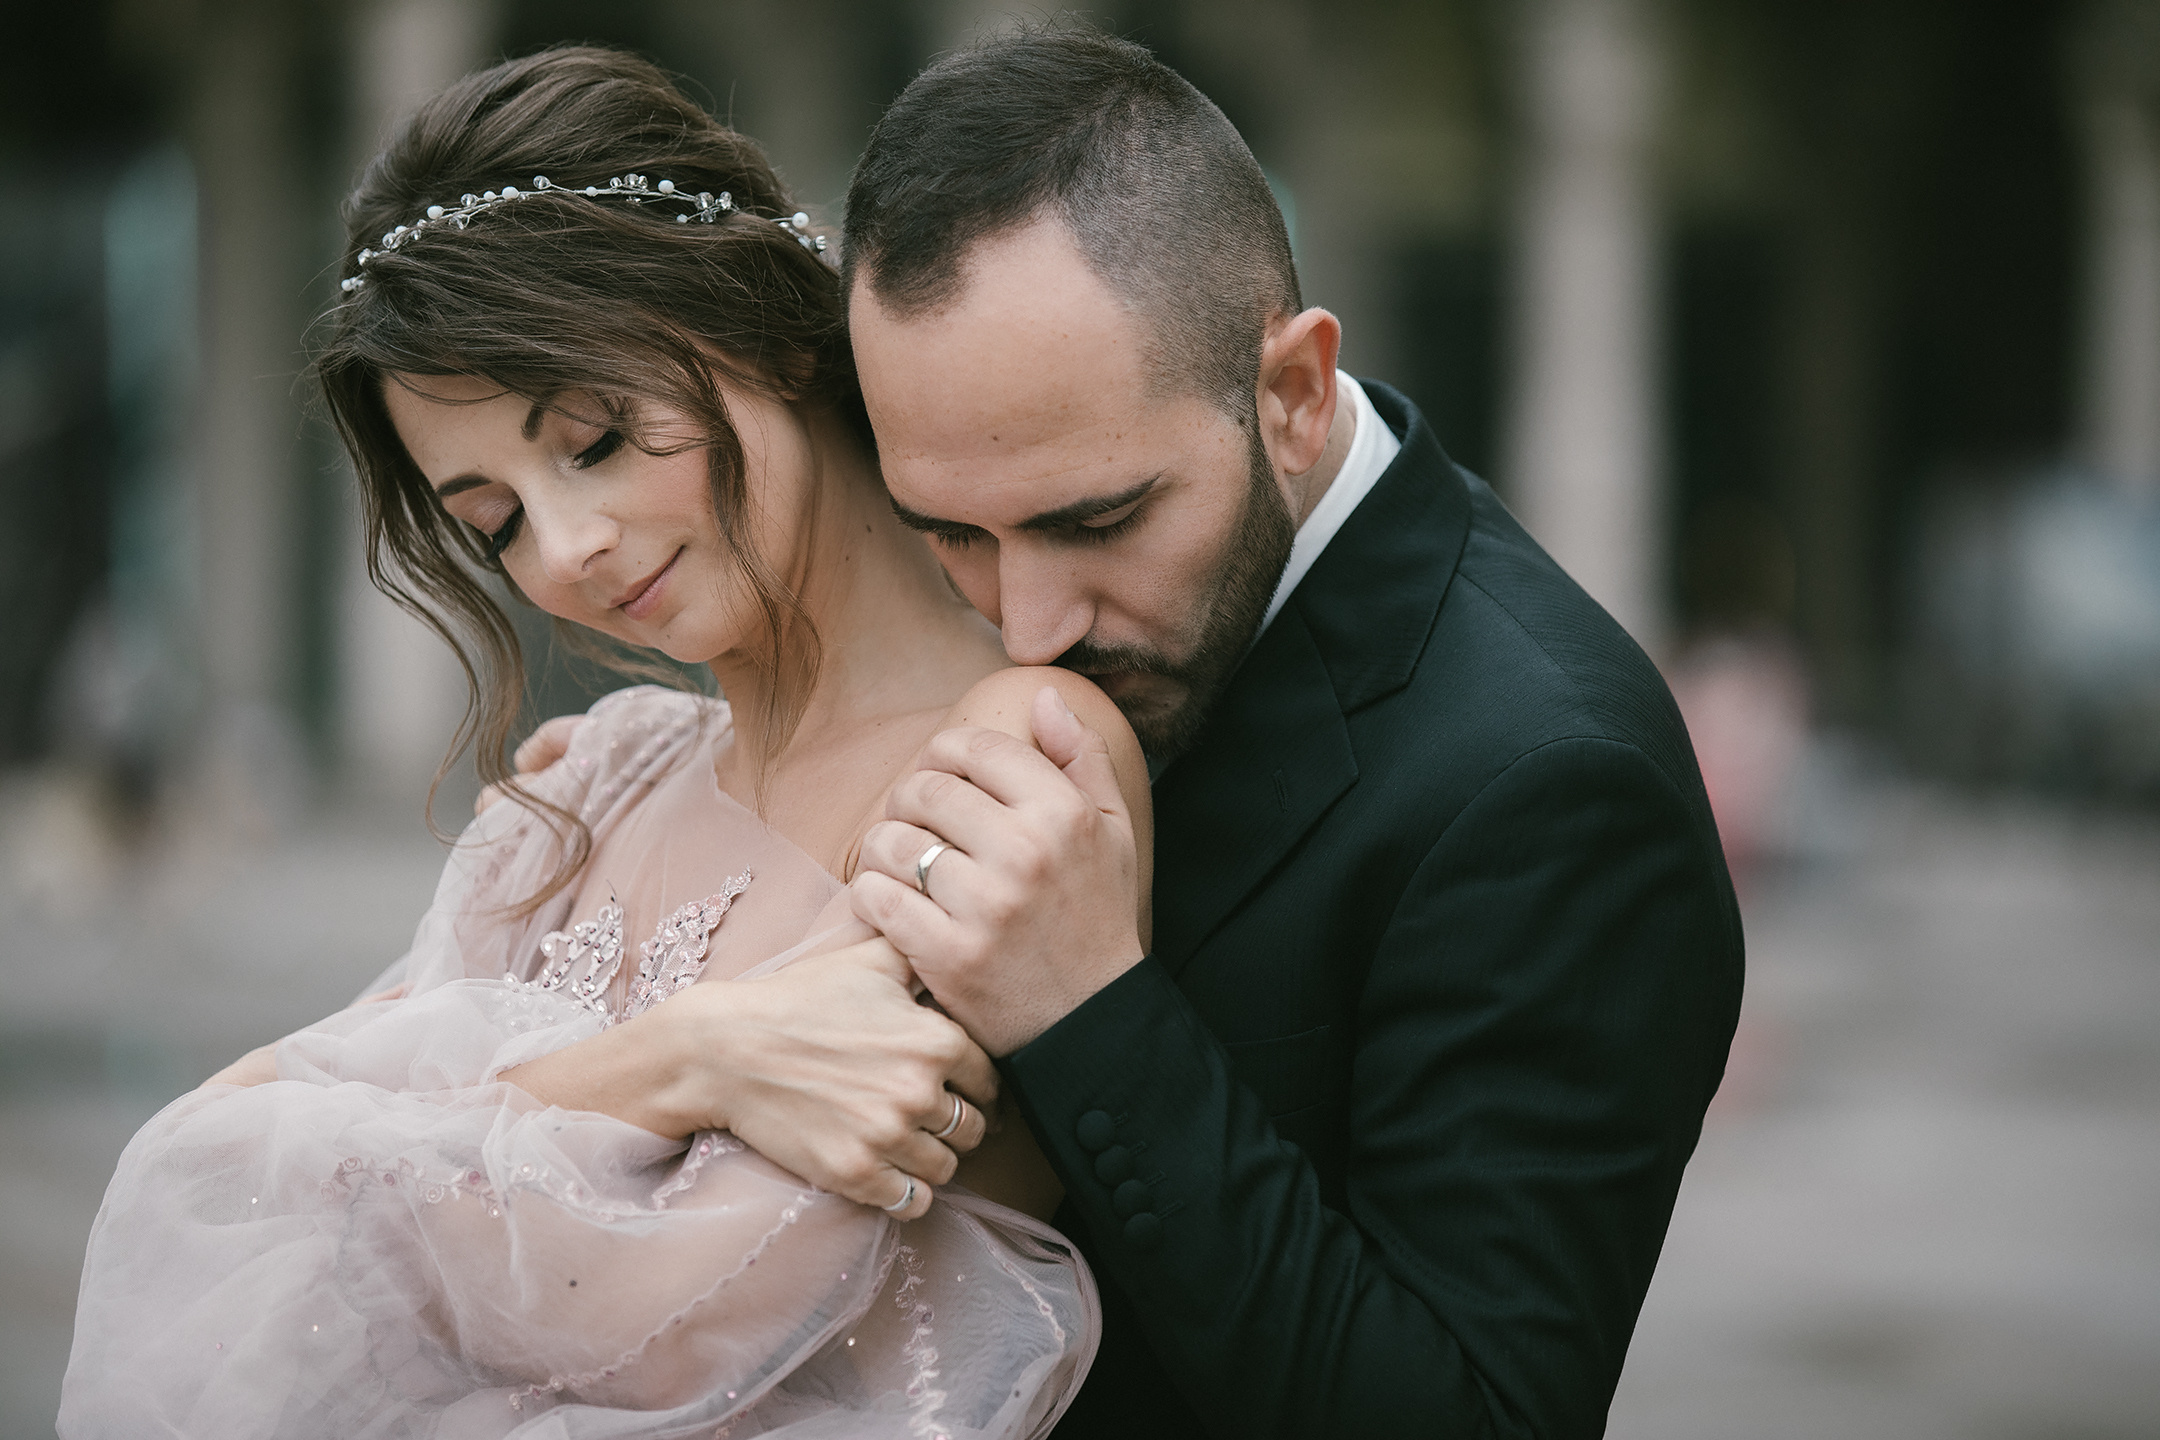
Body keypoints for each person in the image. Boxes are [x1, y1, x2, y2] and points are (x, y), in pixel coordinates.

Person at [518, 22, 1745, 1438]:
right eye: (952, 534)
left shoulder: (1549, 780)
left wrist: (1091, 1009)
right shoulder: (1027, 529)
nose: (1028, 623)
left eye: (1096, 523)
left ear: (1291, 396)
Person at [61, 47, 1152, 1439]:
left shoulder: (1013, 764)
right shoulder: (599, 780)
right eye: (496, 522)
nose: (566, 550)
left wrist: (424, 1141)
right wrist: (691, 1060)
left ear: (761, 326)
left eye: (595, 439)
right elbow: (203, 1164)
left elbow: (657, 1324)